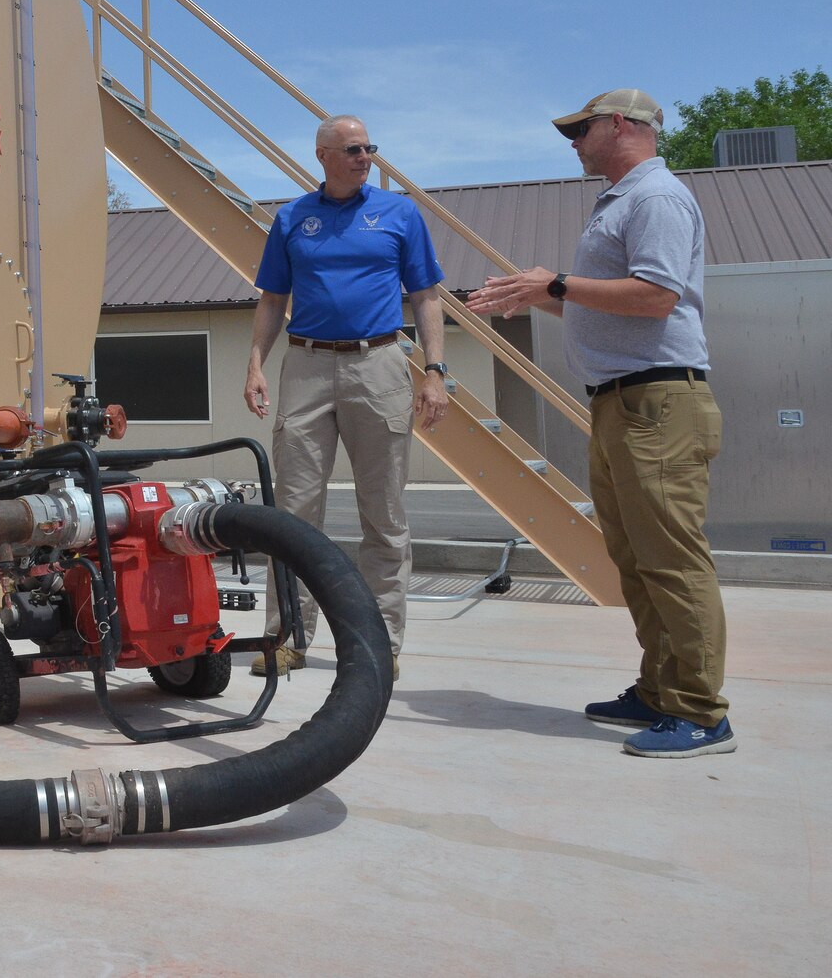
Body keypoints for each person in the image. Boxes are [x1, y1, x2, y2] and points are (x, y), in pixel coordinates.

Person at [468, 89, 732, 758]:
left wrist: (555, 284)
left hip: (657, 402)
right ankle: (659, 689)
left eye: (581, 130)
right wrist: (539, 295)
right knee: (636, 559)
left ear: (620, 125)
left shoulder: (656, 198)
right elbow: (610, 302)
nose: (574, 143)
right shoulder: (619, 202)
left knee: (672, 559)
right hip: (623, 402)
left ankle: (701, 713)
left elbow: (657, 295)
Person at [245, 115, 449, 679]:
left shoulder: (399, 214)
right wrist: (256, 363)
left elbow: (426, 296)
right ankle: (288, 636)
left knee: (383, 513)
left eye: (369, 149)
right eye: (354, 149)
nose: (365, 158)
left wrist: (434, 372)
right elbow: (272, 298)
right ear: (323, 155)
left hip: (377, 364)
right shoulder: (292, 218)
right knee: (294, 512)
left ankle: (380, 644)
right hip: (306, 365)